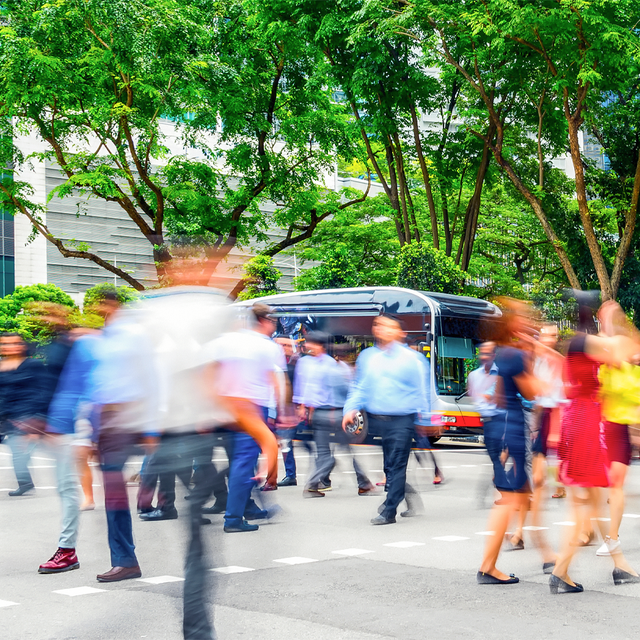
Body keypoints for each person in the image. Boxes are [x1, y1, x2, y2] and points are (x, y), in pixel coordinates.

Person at [551, 297, 639, 593]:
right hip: (585, 423)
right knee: (586, 504)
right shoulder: (584, 343)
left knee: (593, 501)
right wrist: (613, 320)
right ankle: (562, 571)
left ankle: (620, 565)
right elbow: (620, 351)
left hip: (581, 420)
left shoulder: (577, 344)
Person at [92, 292, 159, 583]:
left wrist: (152, 427)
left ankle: (126, 559)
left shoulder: (134, 337)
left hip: (131, 416)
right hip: (108, 422)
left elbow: (153, 379)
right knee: (114, 493)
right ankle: (125, 560)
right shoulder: (101, 339)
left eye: (101, 304)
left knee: (119, 489)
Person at [202, 302, 284, 533]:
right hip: (251, 408)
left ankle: (248, 507)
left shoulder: (222, 343)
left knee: (236, 462)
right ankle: (233, 519)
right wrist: (280, 414)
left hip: (224, 407)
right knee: (243, 463)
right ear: (264, 321)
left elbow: (207, 375)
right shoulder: (267, 347)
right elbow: (277, 383)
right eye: (273, 322)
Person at [342, 315, 429, 525]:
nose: (383, 329)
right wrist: (350, 409)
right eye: (379, 325)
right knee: (389, 466)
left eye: (390, 327)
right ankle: (403, 499)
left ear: (400, 333)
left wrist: (426, 421)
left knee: (397, 465)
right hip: (377, 420)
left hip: (403, 421)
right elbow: (360, 387)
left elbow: (422, 392)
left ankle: (389, 510)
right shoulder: (368, 357)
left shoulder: (413, 359)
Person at [477, 299, 538, 585]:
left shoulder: (502, 353)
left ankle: (549, 557)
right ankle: (488, 566)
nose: (528, 321)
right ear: (511, 325)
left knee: (517, 496)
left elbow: (500, 393)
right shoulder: (513, 355)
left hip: (503, 429)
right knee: (509, 500)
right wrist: (533, 355)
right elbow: (534, 391)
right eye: (523, 316)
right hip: (509, 430)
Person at [38, 330, 102, 574]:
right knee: (66, 487)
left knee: (67, 488)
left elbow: (88, 390)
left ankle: (67, 551)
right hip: (62, 426)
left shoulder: (86, 346)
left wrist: (87, 433)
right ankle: (68, 551)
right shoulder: (70, 346)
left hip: (72, 426)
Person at [294, 331, 375, 498]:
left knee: (327, 452)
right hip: (333, 413)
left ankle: (315, 484)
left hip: (322, 414)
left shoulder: (308, 363)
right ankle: (363, 484)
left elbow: (304, 390)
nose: (309, 346)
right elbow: (344, 391)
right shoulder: (329, 366)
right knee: (342, 450)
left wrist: (304, 408)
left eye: (312, 343)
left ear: (321, 346)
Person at [595, 302, 640, 560]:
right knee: (603, 488)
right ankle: (601, 534)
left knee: (615, 486)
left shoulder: (632, 373)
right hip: (604, 429)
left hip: (620, 431)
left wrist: (635, 430)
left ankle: (613, 538)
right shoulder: (607, 366)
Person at [0, 333, 49, 496]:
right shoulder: (1, 366)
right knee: (18, 452)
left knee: (18, 451)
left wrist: (38, 420)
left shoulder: (33, 365)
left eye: (14, 343)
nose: (9, 347)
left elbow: (43, 390)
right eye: (5, 344)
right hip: (9, 416)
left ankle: (25, 482)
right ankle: (25, 482)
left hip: (28, 416)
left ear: (22, 345)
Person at [468, 341, 503, 507]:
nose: (484, 357)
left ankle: (503, 489)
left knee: (498, 457)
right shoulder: (474, 375)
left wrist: (490, 396)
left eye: (488, 354)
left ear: (494, 356)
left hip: (502, 419)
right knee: (495, 456)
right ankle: (501, 485)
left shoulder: (501, 373)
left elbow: (499, 396)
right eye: (481, 353)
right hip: (488, 422)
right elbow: (476, 396)